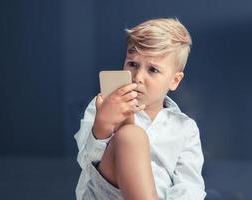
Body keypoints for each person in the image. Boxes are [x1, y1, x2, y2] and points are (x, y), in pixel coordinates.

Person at [74, 18, 206, 200]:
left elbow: (190, 186)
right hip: (106, 194)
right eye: (132, 64)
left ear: (174, 80)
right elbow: (86, 164)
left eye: (152, 70)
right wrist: (102, 126)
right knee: (131, 135)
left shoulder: (185, 128)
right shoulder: (105, 105)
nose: (138, 77)